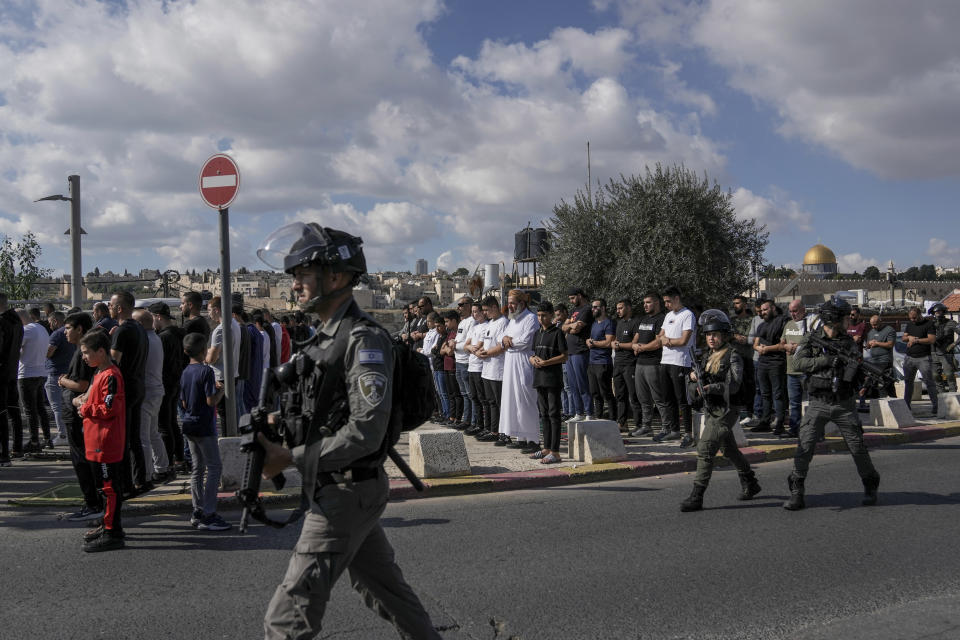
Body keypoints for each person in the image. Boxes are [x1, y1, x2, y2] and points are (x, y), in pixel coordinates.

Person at [254, 221, 440, 638]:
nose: (295, 285)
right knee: (386, 592)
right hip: (340, 486)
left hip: (347, 490)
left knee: (287, 619)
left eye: (303, 274)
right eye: (295, 276)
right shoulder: (324, 338)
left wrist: (292, 459)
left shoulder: (364, 339)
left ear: (336, 276)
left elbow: (365, 432)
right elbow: (327, 410)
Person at [784, 298, 881, 510]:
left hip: (843, 403)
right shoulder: (811, 339)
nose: (850, 320)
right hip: (818, 402)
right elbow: (798, 362)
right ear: (833, 319)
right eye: (846, 317)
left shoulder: (847, 343)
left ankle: (870, 483)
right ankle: (797, 490)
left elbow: (855, 369)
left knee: (857, 447)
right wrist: (825, 361)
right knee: (806, 445)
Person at [680, 310, 760, 511]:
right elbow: (700, 378)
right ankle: (750, 482)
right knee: (729, 449)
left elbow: (733, 385)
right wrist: (693, 378)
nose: (711, 338)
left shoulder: (733, 355)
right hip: (711, 408)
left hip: (727, 409)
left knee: (705, 448)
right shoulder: (707, 355)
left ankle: (697, 496)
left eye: (715, 334)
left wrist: (710, 387)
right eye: (708, 335)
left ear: (724, 335)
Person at [75, 330, 127, 552]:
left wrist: (84, 407)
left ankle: (112, 532)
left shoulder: (111, 375)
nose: (83, 357)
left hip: (106, 442)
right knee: (104, 488)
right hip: (96, 440)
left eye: (86, 353)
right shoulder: (100, 372)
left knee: (110, 489)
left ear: (101, 351)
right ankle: (108, 526)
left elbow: (108, 408)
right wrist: (83, 401)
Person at [179, 332, 230, 531]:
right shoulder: (207, 371)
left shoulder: (185, 372)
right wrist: (221, 391)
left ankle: (197, 509)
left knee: (197, 468)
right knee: (215, 467)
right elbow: (211, 401)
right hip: (204, 425)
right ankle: (209, 514)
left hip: (189, 423)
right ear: (204, 351)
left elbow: (183, 401)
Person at [59, 312, 102, 521]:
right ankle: (94, 502)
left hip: (76, 413)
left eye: (68, 328)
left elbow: (81, 385)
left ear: (80, 330)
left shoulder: (79, 354)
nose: (65, 332)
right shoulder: (80, 352)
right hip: (76, 411)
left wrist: (62, 381)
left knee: (81, 459)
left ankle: (92, 503)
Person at [110, 291, 149, 495]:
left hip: (125, 389)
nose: (109, 307)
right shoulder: (140, 329)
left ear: (119, 308)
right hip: (138, 386)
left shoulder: (123, 331)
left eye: (111, 304)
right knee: (134, 437)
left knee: (122, 439)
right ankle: (140, 479)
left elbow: (112, 362)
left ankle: (126, 484)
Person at [498, 289, 540, 453]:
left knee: (526, 400)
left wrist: (508, 341)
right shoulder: (512, 320)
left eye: (513, 303)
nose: (510, 306)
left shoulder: (531, 318)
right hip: (510, 362)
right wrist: (505, 340)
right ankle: (520, 437)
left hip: (523, 362)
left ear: (522, 303)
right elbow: (501, 338)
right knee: (513, 401)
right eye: (509, 303)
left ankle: (533, 440)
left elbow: (525, 341)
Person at [654, 286, 696, 447]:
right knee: (667, 398)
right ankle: (674, 430)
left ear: (677, 298)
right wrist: (665, 340)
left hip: (680, 362)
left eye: (668, 301)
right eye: (665, 301)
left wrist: (668, 341)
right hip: (665, 361)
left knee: (682, 400)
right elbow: (660, 336)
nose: (666, 304)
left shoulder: (687, 315)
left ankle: (688, 433)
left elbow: (684, 340)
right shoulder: (668, 315)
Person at [149, 302, 188, 472]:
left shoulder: (163, 338)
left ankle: (170, 462)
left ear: (158, 317)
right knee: (172, 423)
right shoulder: (180, 333)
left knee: (164, 425)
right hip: (176, 382)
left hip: (165, 382)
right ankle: (179, 459)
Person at [133, 309, 171, 483]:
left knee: (143, 436)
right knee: (153, 433)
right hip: (157, 390)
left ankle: (147, 474)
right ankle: (162, 467)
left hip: (147, 392)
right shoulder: (155, 338)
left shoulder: (145, 341)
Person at [530, 301, 568, 464]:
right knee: (543, 414)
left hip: (552, 378)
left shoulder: (557, 333)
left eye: (544, 315)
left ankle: (555, 451)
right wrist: (532, 359)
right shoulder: (537, 333)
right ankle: (546, 448)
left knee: (554, 414)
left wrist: (546, 363)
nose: (541, 318)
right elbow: (533, 353)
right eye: (539, 315)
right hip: (539, 378)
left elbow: (564, 356)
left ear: (551, 315)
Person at [750, 300, 788, 435]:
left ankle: (779, 424)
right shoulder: (761, 325)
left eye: (765, 309)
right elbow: (755, 343)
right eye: (761, 310)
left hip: (776, 362)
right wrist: (758, 348)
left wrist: (767, 348)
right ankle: (765, 422)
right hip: (762, 362)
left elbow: (783, 344)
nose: (763, 312)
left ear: (773, 308)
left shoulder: (783, 321)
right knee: (764, 394)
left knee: (777, 394)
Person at [205, 296, 241, 432]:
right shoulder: (235, 324)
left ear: (216, 310)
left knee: (224, 414)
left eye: (209, 310)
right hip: (233, 373)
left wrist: (205, 356)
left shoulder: (220, 330)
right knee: (230, 413)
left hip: (221, 376)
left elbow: (212, 358)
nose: (208, 314)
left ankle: (227, 442)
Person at [631, 292, 665, 438]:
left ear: (657, 303)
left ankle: (666, 427)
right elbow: (636, 338)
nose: (645, 305)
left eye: (648, 302)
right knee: (643, 397)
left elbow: (658, 342)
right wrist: (634, 346)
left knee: (658, 397)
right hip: (640, 363)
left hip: (653, 363)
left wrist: (642, 348)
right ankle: (646, 426)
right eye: (644, 302)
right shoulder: (643, 319)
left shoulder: (661, 319)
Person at [18, 309, 53, 452]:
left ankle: (33, 441)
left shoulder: (26, 331)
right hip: (41, 372)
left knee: (29, 410)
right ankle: (47, 438)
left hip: (27, 373)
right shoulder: (42, 329)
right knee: (40, 408)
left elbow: (16, 348)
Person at [476, 296, 508, 443]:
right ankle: (491, 429)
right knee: (489, 402)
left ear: (495, 307)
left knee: (498, 403)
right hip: (487, 369)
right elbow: (486, 344)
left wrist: (486, 353)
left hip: (498, 370)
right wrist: (480, 351)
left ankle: (502, 432)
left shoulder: (503, 323)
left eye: (487, 310)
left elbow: (501, 346)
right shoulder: (490, 323)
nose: (485, 313)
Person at [781, 300, 815, 437]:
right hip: (791, 370)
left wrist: (799, 347)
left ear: (803, 309)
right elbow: (782, 342)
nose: (793, 314)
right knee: (794, 403)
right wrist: (786, 347)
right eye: (791, 311)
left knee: (813, 403)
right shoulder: (788, 324)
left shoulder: (810, 324)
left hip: (806, 371)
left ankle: (814, 430)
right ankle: (794, 429)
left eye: (795, 311)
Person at [0, 293, 25, 465]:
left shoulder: (2, 322)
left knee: (2, 414)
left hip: (1, 372)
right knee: (13, 411)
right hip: (12, 372)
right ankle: (17, 448)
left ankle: (4, 454)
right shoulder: (17, 321)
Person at [561, 287, 593, 421]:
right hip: (570, 352)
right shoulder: (574, 311)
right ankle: (578, 413)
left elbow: (577, 328)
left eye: (573, 298)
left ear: (580, 296)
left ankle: (589, 412)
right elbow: (563, 327)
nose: (571, 301)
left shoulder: (587, 310)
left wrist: (571, 326)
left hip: (581, 351)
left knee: (582, 383)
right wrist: (570, 326)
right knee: (572, 385)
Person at [902, 306, 938, 415]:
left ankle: (936, 406)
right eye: (911, 318)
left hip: (923, 358)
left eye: (914, 318)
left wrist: (916, 340)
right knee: (908, 382)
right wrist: (909, 338)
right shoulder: (909, 324)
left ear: (919, 315)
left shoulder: (929, 324)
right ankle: (906, 406)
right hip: (909, 357)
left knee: (929, 382)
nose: (913, 320)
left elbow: (931, 339)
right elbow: (903, 338)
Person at [611, 298, 641, 433]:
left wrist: (619, 345)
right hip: (618, 363)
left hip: (630, 364)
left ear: (628, 308)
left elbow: (634, 343)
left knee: (633, 395)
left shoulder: (635, 322)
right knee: (620, 395)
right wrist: (614, 344)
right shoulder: (619, 323)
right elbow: (615, 341)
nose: (618, 311)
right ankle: (622, 423)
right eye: (617, 308)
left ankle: (639, 424)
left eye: (621, 308)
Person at [45, 311, 73, 446]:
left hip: (55, 373)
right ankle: (69, 432)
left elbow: (48, 352)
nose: (49, 326)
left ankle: (62, 435)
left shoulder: (57, 334)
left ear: (55, 321)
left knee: (56, 406)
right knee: (67, 405)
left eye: (50, 323)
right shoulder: (70, 333)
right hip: (68, 373)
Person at [585, 298, 615, 421]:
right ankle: (598, 418)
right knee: (595, 393)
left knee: (606, 393)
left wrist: (594, 343)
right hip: (592, 363)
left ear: (603, 308)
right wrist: (588, 341)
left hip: (603, 362)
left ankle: (614, 420)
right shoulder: (594, 323)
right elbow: (591, 339)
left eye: (596, 307)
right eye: (592, 307)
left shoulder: (608, 323)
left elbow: (609, 342)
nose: (593, 309)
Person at [730, 295, 757, 423]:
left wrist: (732, 335)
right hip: (733, 357)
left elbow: (746, 339)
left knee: (748, 386)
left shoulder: (752, 320)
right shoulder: (732, 320)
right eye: (734, 303)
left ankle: (750, 413)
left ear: (745, 305)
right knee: (735, 385)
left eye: (738, 303)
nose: (735, 305)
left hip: (747, 357)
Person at [463, 302, 488, 436]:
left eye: (476, 311)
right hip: (471, 365)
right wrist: (471, 348)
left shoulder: (486, 326)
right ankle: (478, 423)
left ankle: (484, 425)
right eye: (472, 312)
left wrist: (471, 348)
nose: (474, 314)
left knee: (481, 396)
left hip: (480, 367)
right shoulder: (474, 327)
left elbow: (478, 346)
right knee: (473, 396)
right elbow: (466, 345)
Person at [452, 296, 475, 429]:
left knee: (470, 394)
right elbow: (459, 339)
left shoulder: (472, 321)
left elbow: (468, 343)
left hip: (466, 361)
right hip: (459, 360)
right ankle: (466, 419)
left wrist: (455, 345)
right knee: (463, 393)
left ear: (468, 305)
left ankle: (471, 421)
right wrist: (454, 344)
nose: (458, 307)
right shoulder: (462, 322)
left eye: (461, 304)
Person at [865, 314, 897, 398]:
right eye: (872, 325)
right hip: (873, 361)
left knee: (887, 383)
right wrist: (869, 344)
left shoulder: (889, 330)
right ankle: (876, 402)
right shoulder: (871, 332)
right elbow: (867, 346)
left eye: (875, 324)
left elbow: (890, 344)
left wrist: (877, 343)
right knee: (872, 383)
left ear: (881, 322)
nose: (873, 326)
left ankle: (893, 401)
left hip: (885, 360)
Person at [438, 310, 461, 426]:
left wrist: (447, 349)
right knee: (450, 394)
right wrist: (447, 349)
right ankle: (451, 417)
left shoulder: (458, 333)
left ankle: (457, 417)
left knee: (456, 394)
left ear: (454, 320)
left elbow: (451, 352)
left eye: (447, 322)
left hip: (453, 367)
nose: (445, 324)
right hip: (446, 367)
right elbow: (441, 350)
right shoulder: (450, 333)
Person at [931, 303, 958, 392]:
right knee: (935, 375)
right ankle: (941, 394)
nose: (937, 313)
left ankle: (953, 393)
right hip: (934, 352)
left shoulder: (951, 323)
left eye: (939, 311)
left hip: (947, 352)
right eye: (936, 312)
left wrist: (954, 344)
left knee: (949, 374)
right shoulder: (931, 324)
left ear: (943, 312)